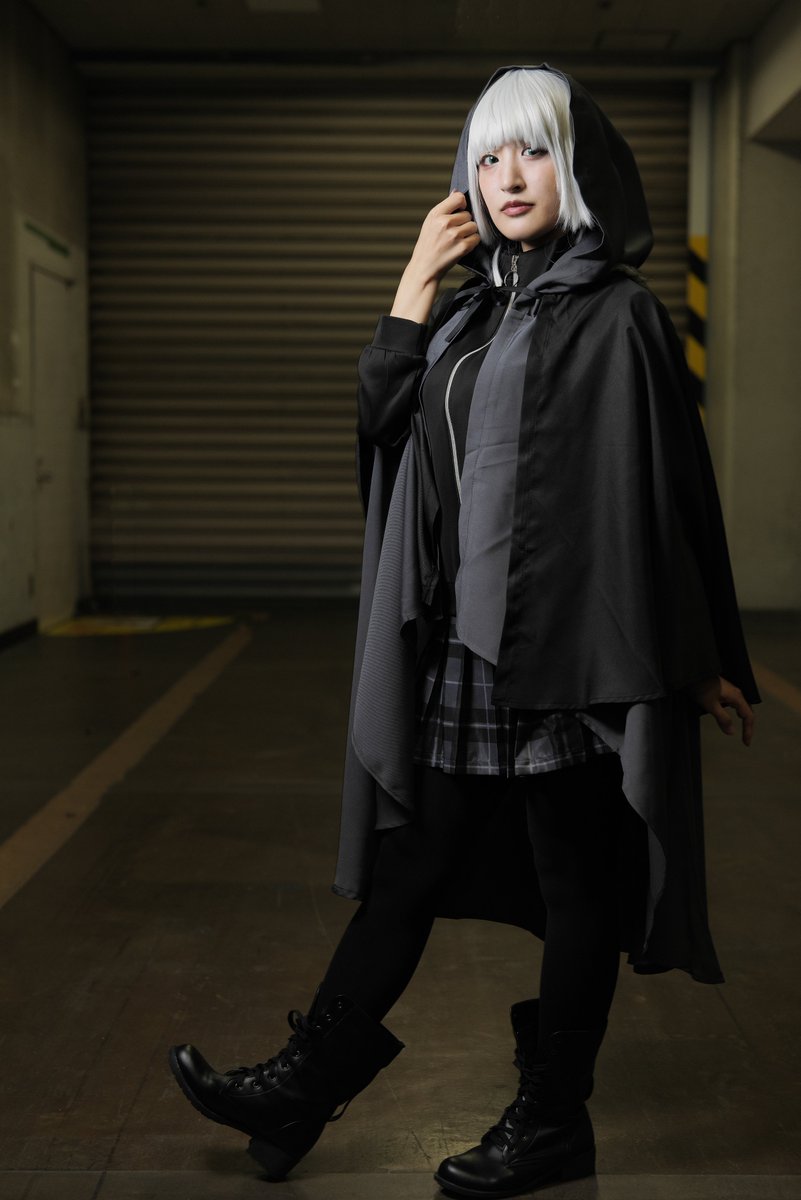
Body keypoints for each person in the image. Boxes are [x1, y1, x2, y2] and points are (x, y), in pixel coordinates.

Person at [169, 65, 758, 1198]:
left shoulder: (621, 313)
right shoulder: (469, 313)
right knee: (409, 872)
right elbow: (382, 427)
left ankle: (550, 1123)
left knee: (578, 886)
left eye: (531, 150)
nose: (507, 177)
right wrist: (413, 287)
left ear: (574, 165)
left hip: (577, 654)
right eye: (487, 157)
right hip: (463, 654)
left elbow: (665, 499)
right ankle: (303, 1086)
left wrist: (699, 664)